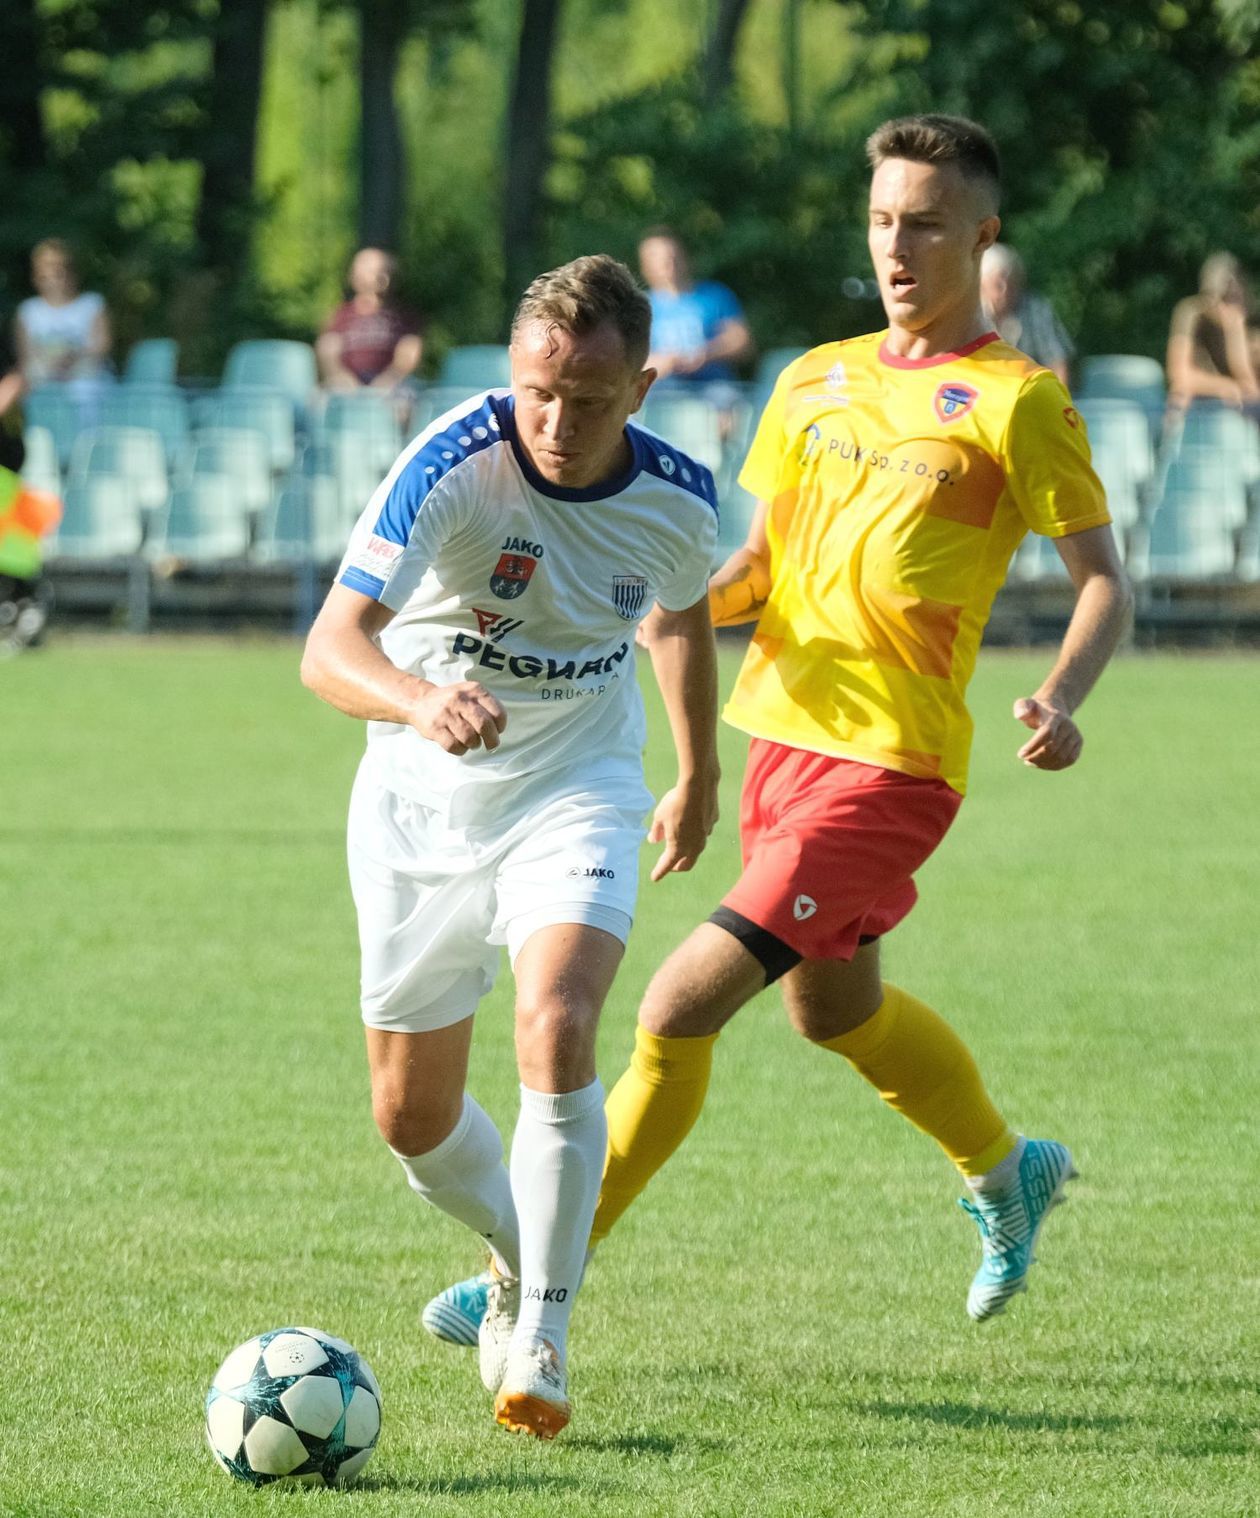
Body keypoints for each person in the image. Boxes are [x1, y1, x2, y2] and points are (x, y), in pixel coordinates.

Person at [427, 114, 1132, 1356]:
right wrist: (653, 602)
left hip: (893, 766)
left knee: (673, 1006)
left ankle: (531, 1277)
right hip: (779, 746)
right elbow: (750, 567)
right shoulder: (814, 377)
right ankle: (1006, 1167)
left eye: (924, 220)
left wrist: (1063, 696)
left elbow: (1103, 582)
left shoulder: (1019, 405)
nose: (898, 245)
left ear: (982, 232)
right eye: (881, 219)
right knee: (835, 1014)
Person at [300, 254, 721, 1441]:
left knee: (560, 1023)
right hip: (423, 802)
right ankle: (507, 1246)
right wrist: (416, 700)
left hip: (576, 788)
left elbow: (678, 613)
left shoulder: (684, 499)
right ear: (513, 368)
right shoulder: (452, 463)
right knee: (409, 1119)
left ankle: (541, 1329)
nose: (558, 421)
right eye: (540, 390)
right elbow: (329, 648)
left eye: (588, 400)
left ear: (638, 388)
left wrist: (697, 770)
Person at [637, 228, 753, 389]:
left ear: (685, 258)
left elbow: (742, 342)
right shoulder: (639, 306)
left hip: (713, 386)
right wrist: (660, 363)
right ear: (645, 265)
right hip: (661, 391)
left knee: (727, 399)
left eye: (673, 256)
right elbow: (625, 359)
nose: (668, 263)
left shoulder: (715, 295)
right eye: (659, 258)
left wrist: (706, 354)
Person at [14, 239, 112, 421]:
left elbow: (102, 346)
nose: (54, 280)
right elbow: (26, 356)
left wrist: (71, 359)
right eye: (46, 274)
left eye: (59, 272)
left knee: (85, 389)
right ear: (35, 276)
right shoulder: (28, 310)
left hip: (88, 377)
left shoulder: (91, 304)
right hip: (43, 379)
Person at [317, 247, 424, 393]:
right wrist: (340, 376)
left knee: (406, 400)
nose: (358, 271)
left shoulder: (401, 316)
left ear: (385, 276)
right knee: (321, 400)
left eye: (366, 267)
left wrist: (388, 380)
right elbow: (327, 349)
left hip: (392, 384)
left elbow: (409, 351)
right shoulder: (340, 314)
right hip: (346, 384)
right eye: (357, 267)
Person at [1166, 252, 1260, 414]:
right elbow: (1179, 375)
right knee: (1181, 395)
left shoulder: (1249, 323)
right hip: (1201, 405)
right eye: (1225, 297)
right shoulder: (1193, 314)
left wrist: (1235, 333)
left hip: (1243, 411)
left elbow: (1249, 386)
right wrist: (1226, 386)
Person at [980, 243, 1073, 387]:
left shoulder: (1037, 310)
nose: (1005, 290)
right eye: (998, 284)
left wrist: (1059, 402)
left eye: (1011, 283)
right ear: (982, 285)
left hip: (1030, 392)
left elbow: (1058, 362)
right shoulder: (971, 315)